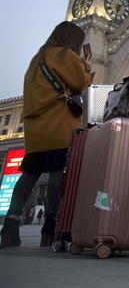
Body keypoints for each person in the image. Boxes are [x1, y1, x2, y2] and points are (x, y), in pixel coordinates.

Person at [0, 21, 94, 249]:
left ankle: (10, 225)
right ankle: (50, 225)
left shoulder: (37, 58)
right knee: (56, 171)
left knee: (30, 172)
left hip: (36, 125)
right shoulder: (66, 55)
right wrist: (87, 67)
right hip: (58, 122)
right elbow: (81, 83)